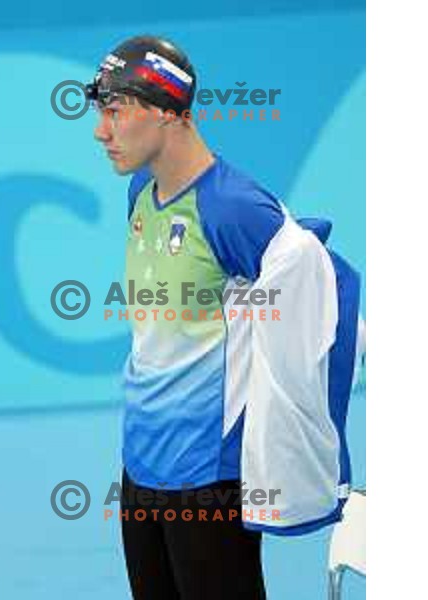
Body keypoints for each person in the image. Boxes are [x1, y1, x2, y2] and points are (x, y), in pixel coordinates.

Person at [88, 35, 360, 600]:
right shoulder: (141, 191)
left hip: (207, 478)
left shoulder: (231, 207)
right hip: (140, 466)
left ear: (167, 114)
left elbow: (315, 279)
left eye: (114, 112)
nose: (101, 131)